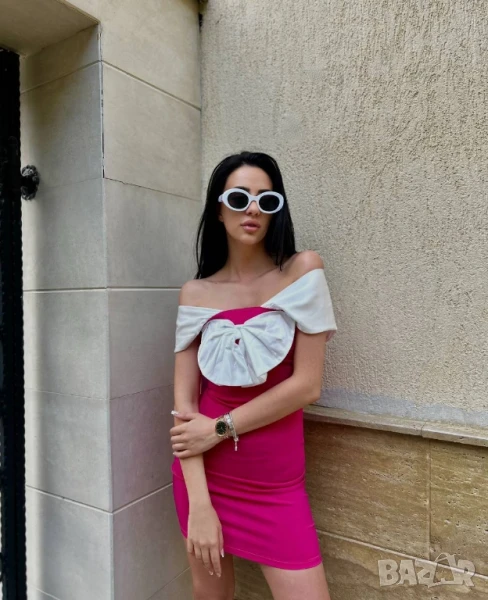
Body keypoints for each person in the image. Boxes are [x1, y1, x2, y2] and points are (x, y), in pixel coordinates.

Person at [169, 151, 337, 600]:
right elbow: (184, 409)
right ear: (218, 209)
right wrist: (200, 506)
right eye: (240, 198)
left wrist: (219, 429)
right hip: (204, 482)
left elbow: (307, 385)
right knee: (212, 596)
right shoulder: (195, 292)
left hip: (277, 489)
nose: (253, 209)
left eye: (267, 200)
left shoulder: (303, 270)